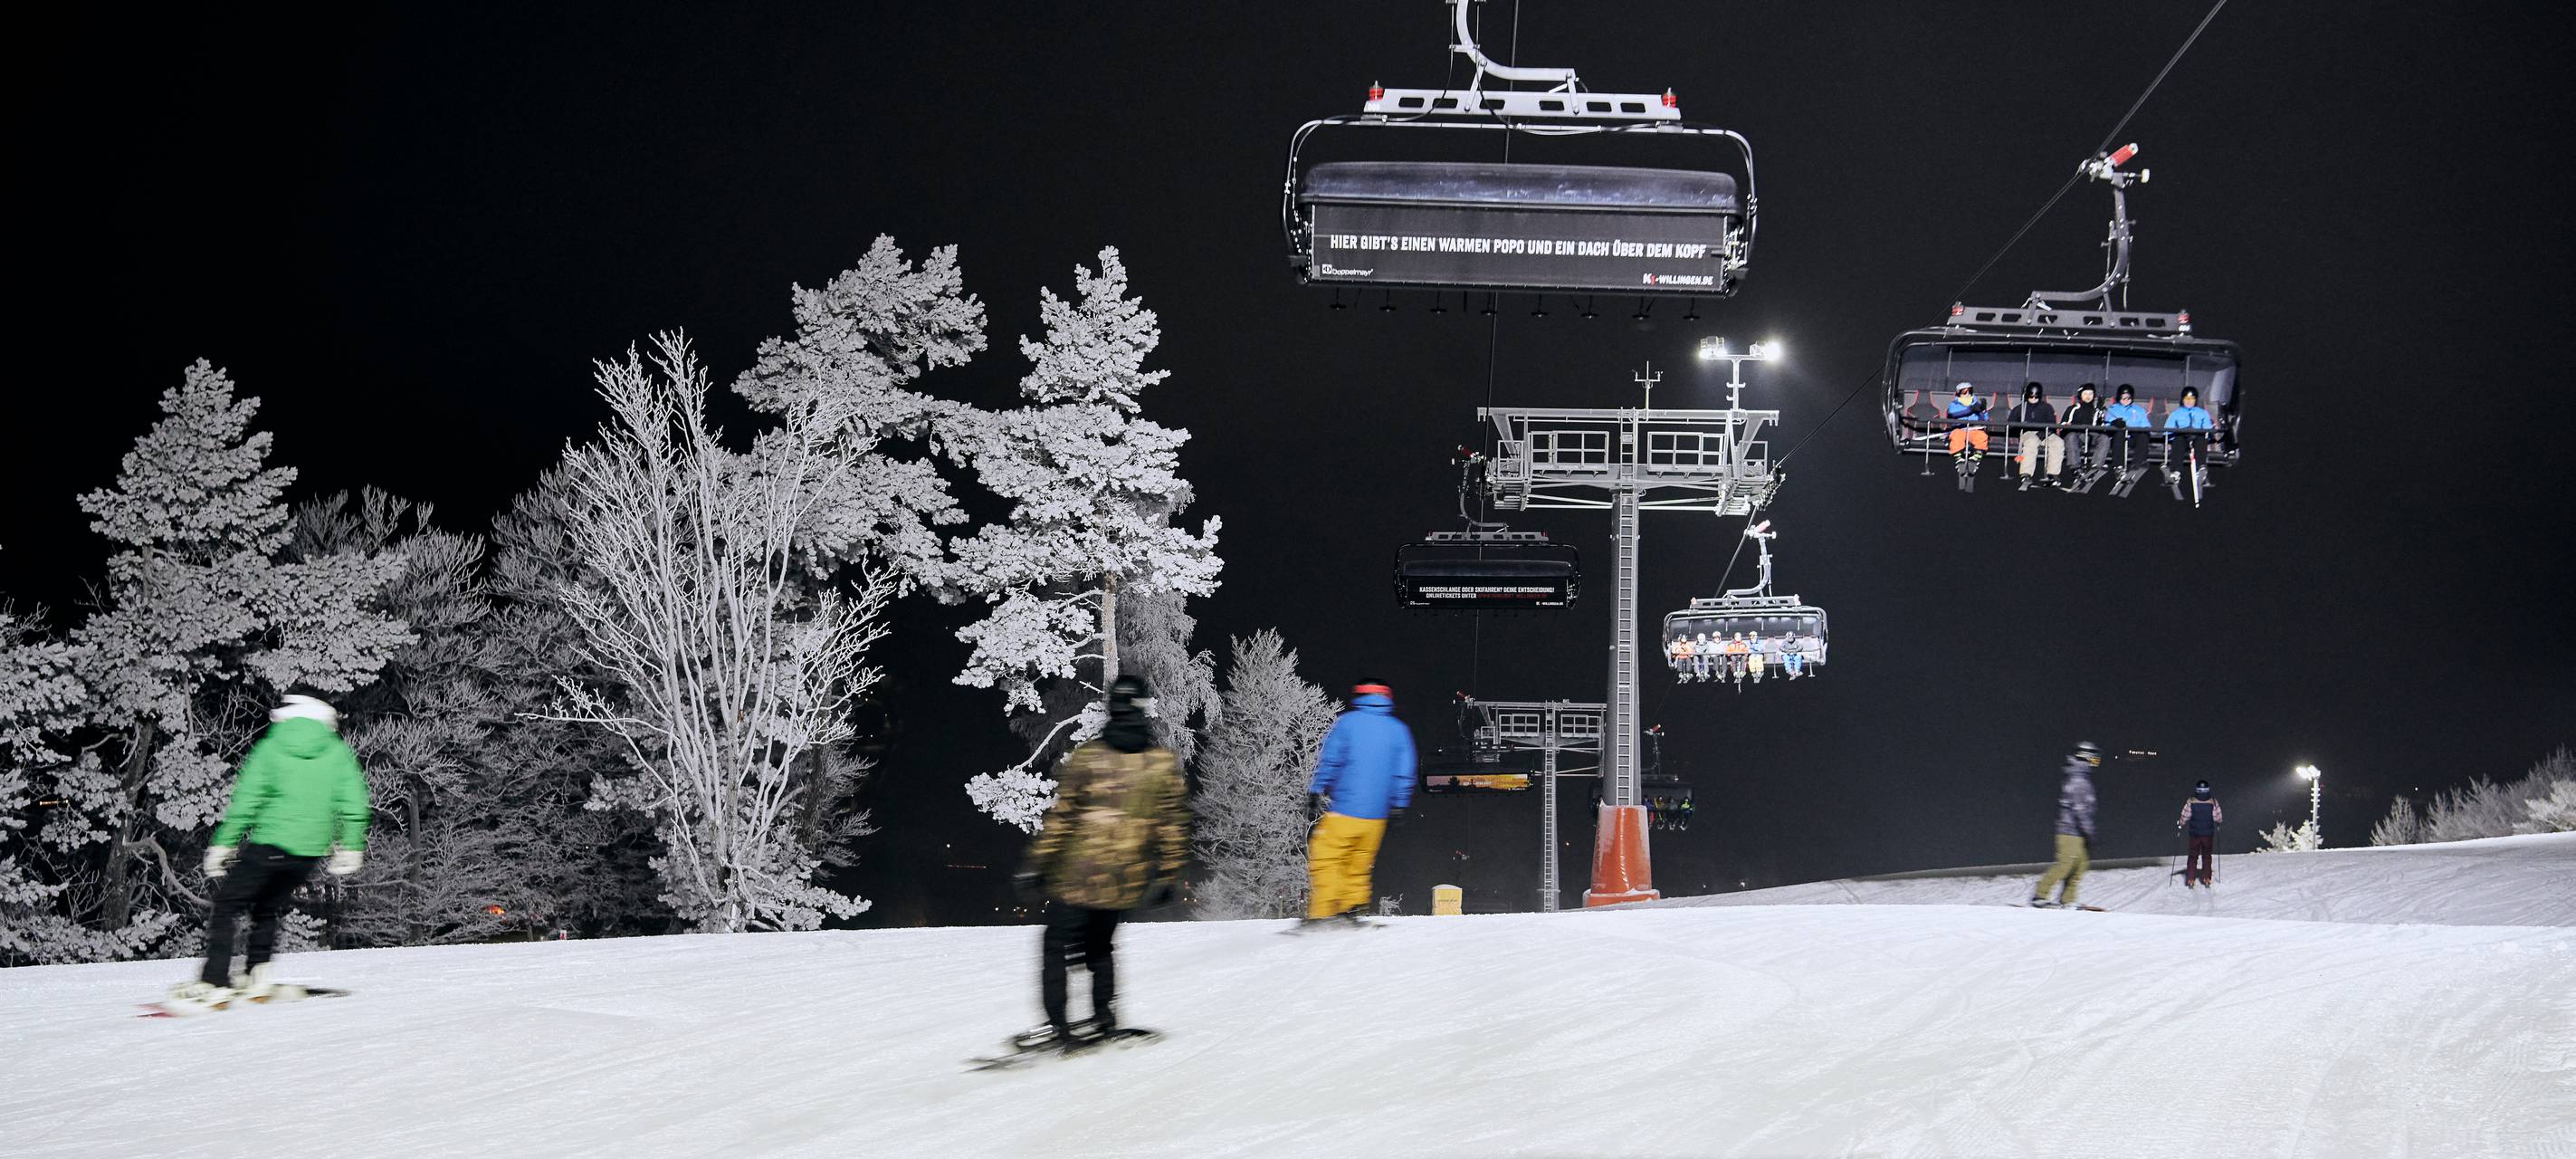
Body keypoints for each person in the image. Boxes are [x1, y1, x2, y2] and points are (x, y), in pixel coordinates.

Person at [1012, 675, 1188, 1051]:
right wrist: (1168, 874)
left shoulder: (1089, 758)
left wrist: (1037, 863)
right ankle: (1104, 1020)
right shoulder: (1160, 764)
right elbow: (1171, 824)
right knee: (1100, 949)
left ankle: (1058, 1027)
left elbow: (1063, 819)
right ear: (1143, 710)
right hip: (1123, 881)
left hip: (1078, 876)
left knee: (1056, 945)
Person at [166, 694, 369, 1012]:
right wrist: (352, 846)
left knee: (226, 906)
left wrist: (224, 844)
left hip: (271, 845)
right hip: (308, 853)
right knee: (267, 907)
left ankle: (214, 981)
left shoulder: (272, 748)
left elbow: (246, 802)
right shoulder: (337, 753)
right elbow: (354, 802)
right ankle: (257, 974)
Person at [1302, 679, 1418, 930]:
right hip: (1376, 819)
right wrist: (1399, 805)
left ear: (1359, 695)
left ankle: (1323, 913)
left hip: (1345, 810)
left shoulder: (1348, 723)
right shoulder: (1398, 730)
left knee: (1326, 857)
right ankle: (1351, 909)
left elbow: (1330, 759)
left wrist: (1315, 790)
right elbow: (1405, 772)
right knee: (1358, 863)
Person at [2029, 742, 2102, 908]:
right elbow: (2080, 810)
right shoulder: (2078, 782)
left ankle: (2067, 899)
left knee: (2080, 865)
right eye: (2094, 757)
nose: (2096, 761)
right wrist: (2090, 832)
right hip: (2069, 832)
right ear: (2086, 757)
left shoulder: (2081, 779)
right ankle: (2039, 895)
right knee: (2065, 864)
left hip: (2078, 833)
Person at [2009, 382, 2065, 487]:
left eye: (2036, 396)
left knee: (2058, 442)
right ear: (2027, 395)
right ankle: (2026, 474)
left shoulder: (2047, 407)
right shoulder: (2020, 409)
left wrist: (2044, 432)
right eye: (2031, 396)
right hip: (2027, 433)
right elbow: (2010, 425)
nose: (2033, 398)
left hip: (2045, 432)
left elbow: (2052, 423)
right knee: (2031, 442)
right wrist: (2020, 426)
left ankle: (2053, 474)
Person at [2163, 385, 2216, 497]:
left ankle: (2201, 469)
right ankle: (2176, 472)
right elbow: (2167, 430)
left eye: (2191, 399)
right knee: (2178, 440)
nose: (2189, 401)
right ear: (2182, 399)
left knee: (2201, 439)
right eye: (2186, 398)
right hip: (2182, 436)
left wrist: (2208, 435)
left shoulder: (2202, 413)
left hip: (2197, 436)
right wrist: (2175, 434)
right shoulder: (2176, 413)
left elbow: (2208, 428)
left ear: (2195, 400)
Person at [2176, 780, 2225, 887]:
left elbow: (2185, 815)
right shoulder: (2213, 801)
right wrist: (2218, 822)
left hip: (2195, 833)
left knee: (2193, 856)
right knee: (2206, 856)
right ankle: (2206, 878)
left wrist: (2181, 823)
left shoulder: (2191, 800)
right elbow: (2218, 817)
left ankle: (2190, 879)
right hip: (2208, 833)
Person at [1945, 382, 1991, 483]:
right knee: (1956, 436)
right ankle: (1959, 459)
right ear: (1958, 393)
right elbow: (1953, 414)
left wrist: (1982, 411)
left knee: (1981, 436)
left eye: (1969, 391)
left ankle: (1976, 458)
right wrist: (1970, 410)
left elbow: (1985, 420)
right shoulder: (1954, 404)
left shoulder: (1976, 403)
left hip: (1974, 429)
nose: (1967, 393)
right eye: (1964, 391)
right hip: (1960, 428)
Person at [2104, 384, 2151, 478]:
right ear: (2119, 397)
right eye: (2123, 398)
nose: (2126, 400)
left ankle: (2137, 464)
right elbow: (2107, 423)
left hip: (2133, 437)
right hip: (2119, 439)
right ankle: (2119, 466)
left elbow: (2146, 425)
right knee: (2119, 432)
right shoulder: (2113, 409)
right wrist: (2114, 423)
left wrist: (2134, 428)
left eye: (2128, 398)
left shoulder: (2138, 410)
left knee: (2143, 435)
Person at [2063, 383, 2107, 479]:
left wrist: (2100, 413)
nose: (2088, 396)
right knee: (2071, 436)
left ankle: (2096, 466)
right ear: (2080, 395)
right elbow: (2063, 425)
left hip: (2091, 436)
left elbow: (2101, 427)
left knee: (2104, 438)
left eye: (2090, 394)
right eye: (2085, 393)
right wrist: (2071, 427)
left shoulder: (2096, 410)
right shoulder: (2074, 408)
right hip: (2077, 436)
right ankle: (2075, 467)